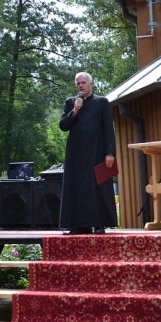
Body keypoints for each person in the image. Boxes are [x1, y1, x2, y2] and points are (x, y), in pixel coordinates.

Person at [59, 71, 118, 235]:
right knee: (76, 187)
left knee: (98, 186)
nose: (81, 85)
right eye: (78, 83)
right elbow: (63, 126)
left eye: (83, 82)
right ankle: (78, 224)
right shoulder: (71, 102)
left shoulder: (102, 102)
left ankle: (100, 224)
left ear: (91, 84)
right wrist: (75, 110)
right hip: (76, 154)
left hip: (97, 150)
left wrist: (110, 153)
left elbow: (108, 129)